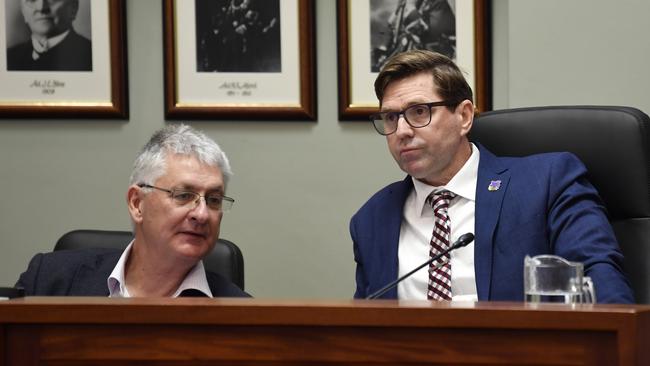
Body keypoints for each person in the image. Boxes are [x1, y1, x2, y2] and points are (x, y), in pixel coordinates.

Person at [351, 50, 634, 303]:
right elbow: (365, 328)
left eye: (419, 111)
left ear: (463, 116)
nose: (402, 131)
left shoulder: (547, 183)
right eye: (390, 117)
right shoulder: (373, 218)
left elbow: (601, 287)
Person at [16, 124, 249, 298]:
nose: (202, 214)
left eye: (214, 199)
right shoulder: (49, 280)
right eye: (183, 195)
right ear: (137, 203)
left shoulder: (244, 315)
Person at [7, 0, 92, 71]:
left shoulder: (91, 57)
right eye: (32, 0)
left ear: (73, 8)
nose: (41, 8)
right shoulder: (9, 59)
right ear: (23, 12)